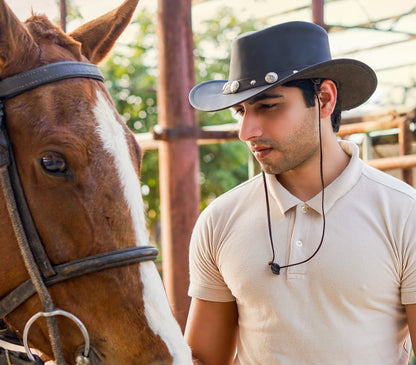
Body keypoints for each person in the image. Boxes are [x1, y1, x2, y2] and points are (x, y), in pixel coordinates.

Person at [184, 21, 416, 365]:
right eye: (240, 111)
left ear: (324, 99)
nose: (247, 131)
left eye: (268, 106)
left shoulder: (403, 213)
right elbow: (205, 359)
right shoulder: (219, 221)